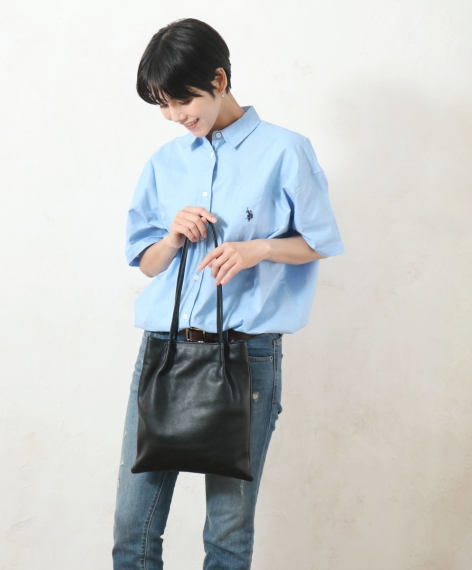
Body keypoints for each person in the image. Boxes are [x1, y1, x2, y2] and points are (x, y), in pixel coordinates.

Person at [112, 17, 344, 570]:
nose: (175, 116)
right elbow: (147, 263)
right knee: (133, 529)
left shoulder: (286, 151)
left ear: (218, 80)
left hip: (245, 356)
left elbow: (319, 241)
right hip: (164, 352)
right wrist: (171, 237)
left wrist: (258, 248)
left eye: (182, 101)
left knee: (228, 533)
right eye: (163, 105)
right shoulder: (166, 162)